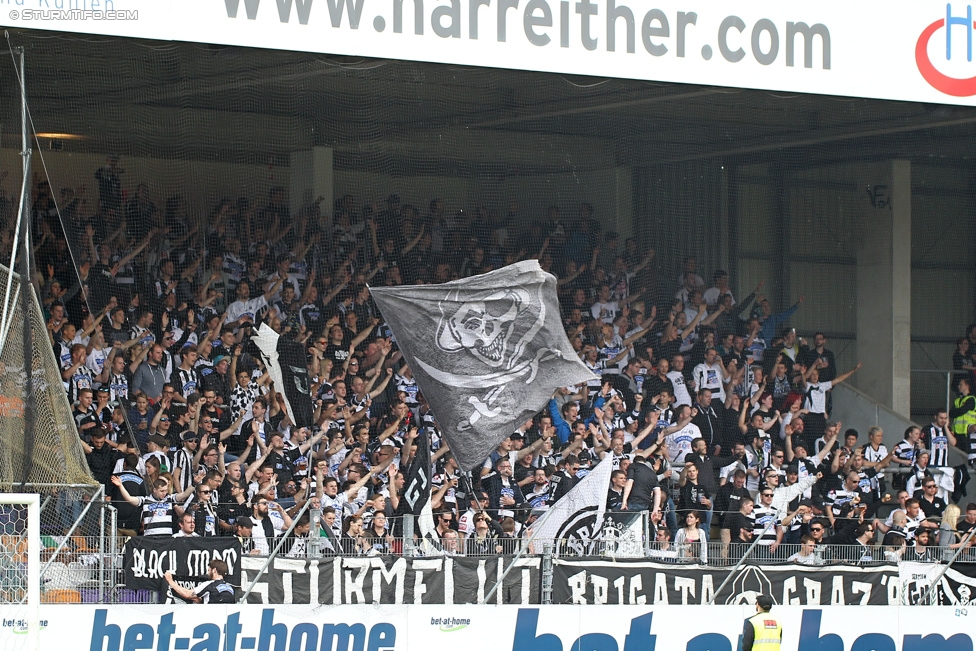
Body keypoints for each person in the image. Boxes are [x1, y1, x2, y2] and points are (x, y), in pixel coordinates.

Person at [164, 560, 236, 604]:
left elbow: (187, 594)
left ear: (214, 570)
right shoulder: (230, 587)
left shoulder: (210, 584)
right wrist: (200, 600)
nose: (208, 573)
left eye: (209, 570)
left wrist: (170, 581)